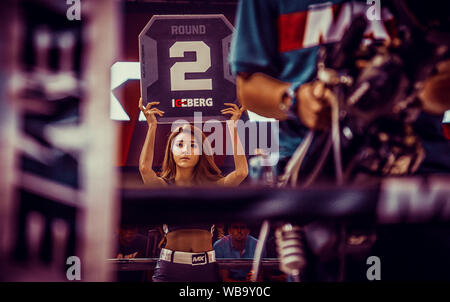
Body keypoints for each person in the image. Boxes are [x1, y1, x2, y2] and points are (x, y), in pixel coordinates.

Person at [230, 0, 450, 282]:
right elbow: (248, 86)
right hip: (316, 178)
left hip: (418, 173)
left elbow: (440, 84)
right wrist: (297, 101)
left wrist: (425, 91)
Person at [138, 98, 249, 282]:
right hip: (170, 267)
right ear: (171, 151)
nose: (185, 151)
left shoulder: (213, 186)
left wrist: (232, 126)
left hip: (205, 268)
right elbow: (144, 169)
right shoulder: (164, 186)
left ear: (201, 152)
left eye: (192, 145)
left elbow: (242, 172)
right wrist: (152, 126)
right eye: (180, 145)